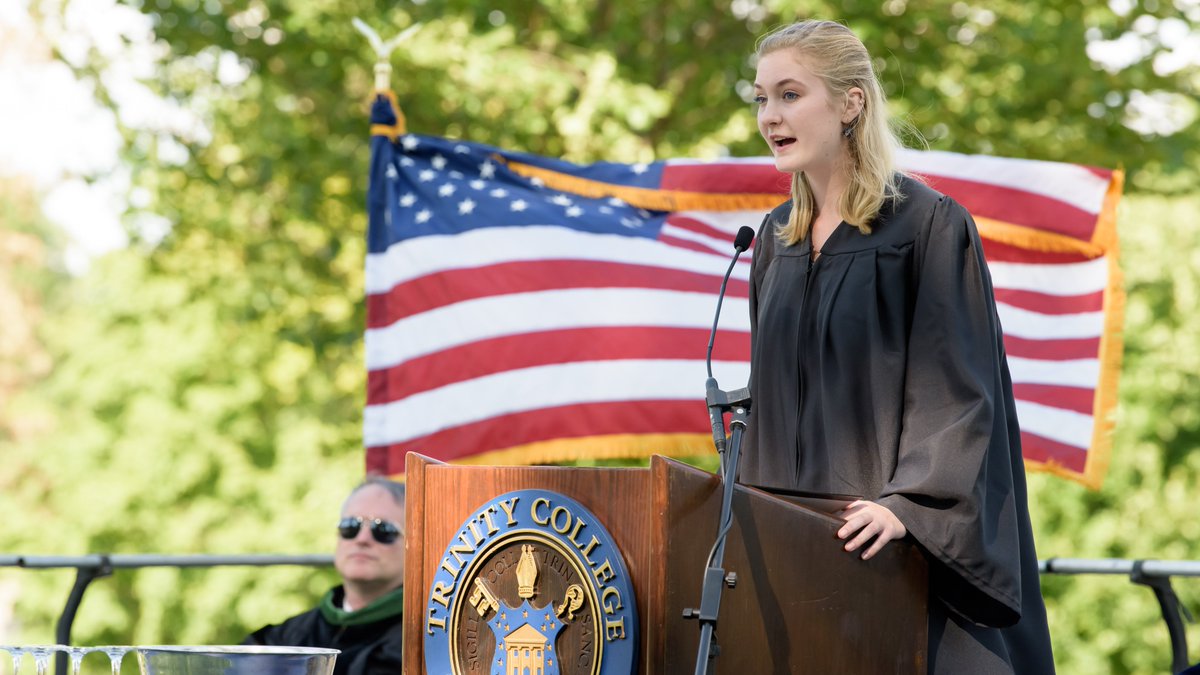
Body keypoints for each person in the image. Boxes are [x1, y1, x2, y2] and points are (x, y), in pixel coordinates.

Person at [740, 20, 1056, 674]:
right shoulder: (774, 241)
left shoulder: (929, 226)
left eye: (790, 95)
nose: (770, 116)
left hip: (891, 558)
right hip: (793, 562)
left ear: (851, 102)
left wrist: (908, 506)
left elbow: (963, 394)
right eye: (761, 98)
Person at [245, 477, 406, 674]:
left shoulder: (427, 640)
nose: (362, 539)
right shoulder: (290, 635)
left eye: (383, 530)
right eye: (350, 526)